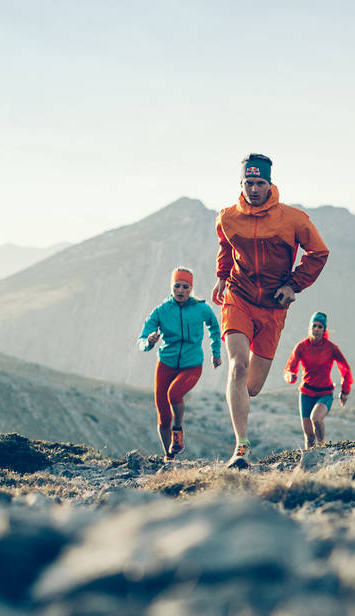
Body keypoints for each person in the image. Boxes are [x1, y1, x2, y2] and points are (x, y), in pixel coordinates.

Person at [211, 153, 329, 468]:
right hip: (239, 296)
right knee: (237, 367)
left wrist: (294, 285)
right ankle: (241, 446)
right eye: (248, 182)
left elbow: (319, 252)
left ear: (270, 183)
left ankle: (241, 416)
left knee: (251, 386)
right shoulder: (227, 217)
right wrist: (223, 277)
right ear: (241, 183)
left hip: (273, 308)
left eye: (259, 182)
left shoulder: (293, 220)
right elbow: (226, 246)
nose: (253, 188)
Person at [137, 267, 222, 460]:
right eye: (177, 286)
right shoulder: (161, 311)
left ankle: (178, 429)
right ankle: (169, 457)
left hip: (191, 365)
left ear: (191, 288)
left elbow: (214, 328)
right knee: (163, 415)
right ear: (172, 287)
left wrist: (215, 353)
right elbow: (141, 338)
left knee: (174, 393)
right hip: (166, 363)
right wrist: (148, 342)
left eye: (185, 286)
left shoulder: (201, 308)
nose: (181, 290)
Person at [284, 311, 353, 449]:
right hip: (306, 394)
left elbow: (345, 368)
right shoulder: (301, 347)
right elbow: (289, 369)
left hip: (324, 394)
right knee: (309, 437)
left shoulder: (331, 348)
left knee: (316, 418)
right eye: (314, 325)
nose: (316, 329)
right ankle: (310, 466)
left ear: (324, 329)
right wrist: (290, 376)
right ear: (310, 328)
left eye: (320, 326)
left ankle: (321, 448)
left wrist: (345, 390)